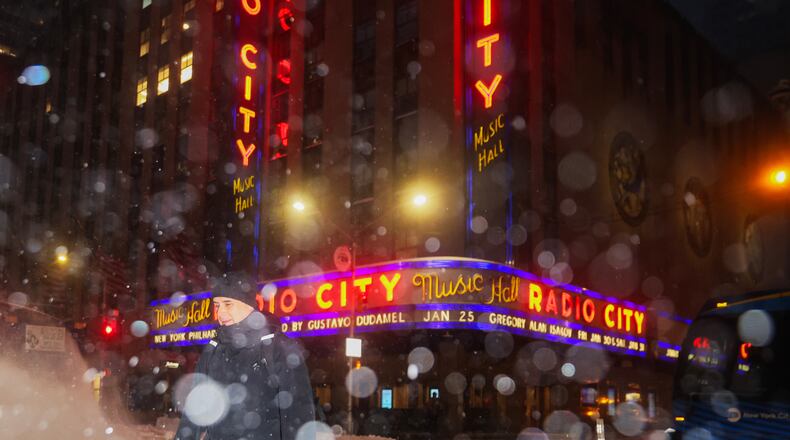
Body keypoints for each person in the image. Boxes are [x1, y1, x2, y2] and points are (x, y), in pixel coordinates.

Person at [175, 275, 315, 439]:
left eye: (228, 304)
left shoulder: (279, 349)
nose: (221, 312)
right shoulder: (213, 349)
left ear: (249, 306)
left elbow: (298, 414)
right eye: (217, 306)